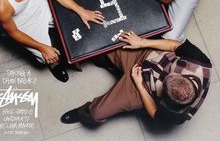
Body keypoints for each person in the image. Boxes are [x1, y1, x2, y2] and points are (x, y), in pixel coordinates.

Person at [60, 31, 212, 126]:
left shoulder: (179, 116)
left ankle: (83, 112)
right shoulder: (201, 62)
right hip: (147, 55)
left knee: (97, 113)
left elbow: (154, 113)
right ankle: (107, 61)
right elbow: (174, 46)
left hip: (143, 88)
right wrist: (141, 42)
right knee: (107, 37)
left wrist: (139, 84)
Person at [0, 0, 104, 82]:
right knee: (48, 56)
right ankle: (53, 64)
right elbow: (13, 32)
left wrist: (81, 11)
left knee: (70, 19)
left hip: (37, 1)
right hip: (22, 21)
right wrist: (42, 48)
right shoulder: (0, 5)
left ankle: (72, 48)